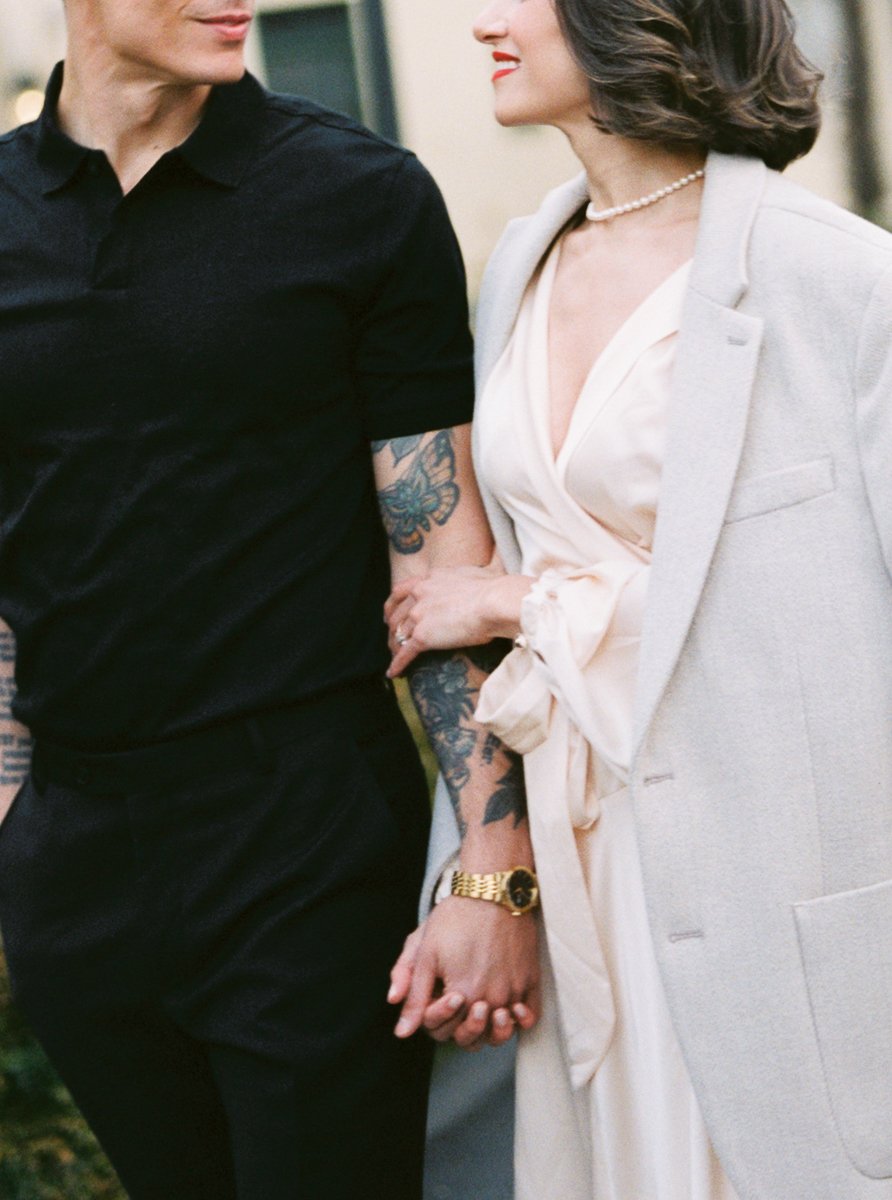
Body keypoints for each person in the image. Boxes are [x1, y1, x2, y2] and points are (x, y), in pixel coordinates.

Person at [0, 2, 540, 1197]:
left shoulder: (360, 195)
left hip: (304, 834)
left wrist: (493, 863)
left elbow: (440, 559)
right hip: (75, 858)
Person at [385, 0, 892, 1196]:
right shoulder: (519, 260)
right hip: (585, 870)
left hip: (781, 887)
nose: (483, 25)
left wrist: (513, 596)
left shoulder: (840, 280)